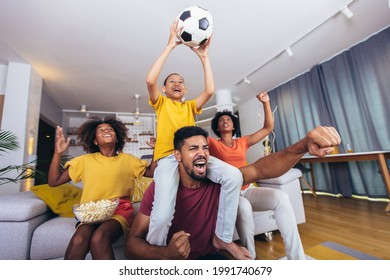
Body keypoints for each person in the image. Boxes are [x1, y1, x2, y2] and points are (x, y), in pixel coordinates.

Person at [125, 125, 341, 260]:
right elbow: (132, 244)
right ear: (178, 156)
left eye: (205, 148)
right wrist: (166, 254)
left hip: (210, 258)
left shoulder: (218, 181)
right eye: (193, 149)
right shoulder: (159, 189)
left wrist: (303, 146)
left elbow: (260, 168)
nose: (201, 153)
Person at [146, 20, 247, 259]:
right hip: (168, 159)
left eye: (181, 81)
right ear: (164, 90)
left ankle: (221, 237)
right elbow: (150, 81)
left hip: (196, 156)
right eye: (172, 81)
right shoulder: (160, 104)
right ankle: (157, 254)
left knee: (234, 175)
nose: (177, 83)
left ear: (186, 90)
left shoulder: (191, 106)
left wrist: (204, 57)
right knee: (161, 215)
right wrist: (171, 45)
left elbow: (210, 91)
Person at [208, 92, 305, 259]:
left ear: (233, 126)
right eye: (221, 121)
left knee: (281, 197)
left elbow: (268, 128)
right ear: (217, 127)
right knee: (244, 207)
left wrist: (266, 103)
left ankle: (296, 258)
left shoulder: (242, 142)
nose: (225, 121)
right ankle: (251, 258)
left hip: (248, 189)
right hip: (230, 193)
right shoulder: (212, 144)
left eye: (228, 120)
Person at [48, 117, 156, 260]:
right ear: (95, 141)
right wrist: (57, 153)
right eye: (101, 130)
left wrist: (156, 150)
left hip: (119, 210)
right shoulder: (83, 161)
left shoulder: (129, 160)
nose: (106, 130)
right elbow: (53, 181)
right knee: (78, 240)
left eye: (110, 129)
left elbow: (152, 172)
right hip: (91, 214)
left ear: (117, 138)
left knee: (98, 238)